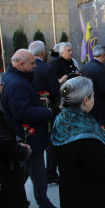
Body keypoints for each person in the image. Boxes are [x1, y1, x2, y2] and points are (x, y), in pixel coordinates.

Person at [52, 76, 105, 208]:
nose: (93, 99)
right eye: (93, 96)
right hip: (92, 196)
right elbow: (103, 169)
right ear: (86, 100)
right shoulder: (85, 137)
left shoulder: (62, 118)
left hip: (71, 190)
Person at [0, 49, 56, 208]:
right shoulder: (17, 83)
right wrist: (47, 111)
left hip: (25, 137)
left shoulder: (14, 78)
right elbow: (22, 112)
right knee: (38, 176)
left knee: (23, 172)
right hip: (29, 139)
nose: (35, 66)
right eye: (32, 63)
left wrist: (36, 100)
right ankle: (44, 204)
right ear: (20, 64)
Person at [0, 68, 31, 208]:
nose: (1, 86)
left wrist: (18, 141)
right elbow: (1, 140)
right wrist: (22, 150)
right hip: (5, 172)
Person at [29, 40, 61, 185]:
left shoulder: (26, 69)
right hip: (49, 109)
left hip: (31, 110)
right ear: (43, 53)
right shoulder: (48, 69)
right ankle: (51, 173)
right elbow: (55, 91)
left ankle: (38, 172)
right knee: (51, 142)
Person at [81, 45, 105, 129]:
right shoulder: (100, 69)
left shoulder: (85, 67)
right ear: (102, 55)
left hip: (87, 103)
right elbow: (104, 89)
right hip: (99, 106)